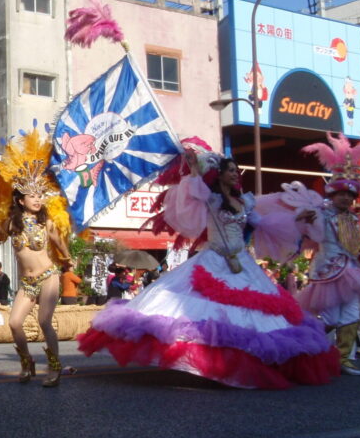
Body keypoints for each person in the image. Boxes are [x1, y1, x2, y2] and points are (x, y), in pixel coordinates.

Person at [78, 139, 338, 389]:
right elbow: (194, 195)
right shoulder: (211, 200)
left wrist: (298, 218)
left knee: (254, 312)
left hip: (242, 262)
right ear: (220, 174)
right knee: (206, 309)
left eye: (237, 170)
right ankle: (206, 362)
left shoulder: (245, 201)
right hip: (214, 258)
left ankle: (243, 363)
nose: (236, 174)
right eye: (231, 170)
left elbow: (263, 224)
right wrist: (193, 171)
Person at [0, 122, 73, 386]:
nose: (37, 198)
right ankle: (27, 362)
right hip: (27, 283)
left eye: (40, 194)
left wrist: (68, 260)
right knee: (14, 323)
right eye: (31, 195)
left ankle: (54, 367)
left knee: (44, 321)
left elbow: (60, 243)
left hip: (48, 276)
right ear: (20, 199)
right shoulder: (12, 223)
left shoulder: (47, 222)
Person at [296, 133, 360, 375]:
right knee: (330, 318)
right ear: (332, 194)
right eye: (341, 193)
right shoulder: (321, 212)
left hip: (352, 272)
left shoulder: (353, 218)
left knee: (352, 314)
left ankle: (345, 358)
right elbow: (308, 231)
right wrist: (306, 219)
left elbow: (356, 246)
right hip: (328, 270)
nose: (345, 198)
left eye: (350, 194)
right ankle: (306, 346)